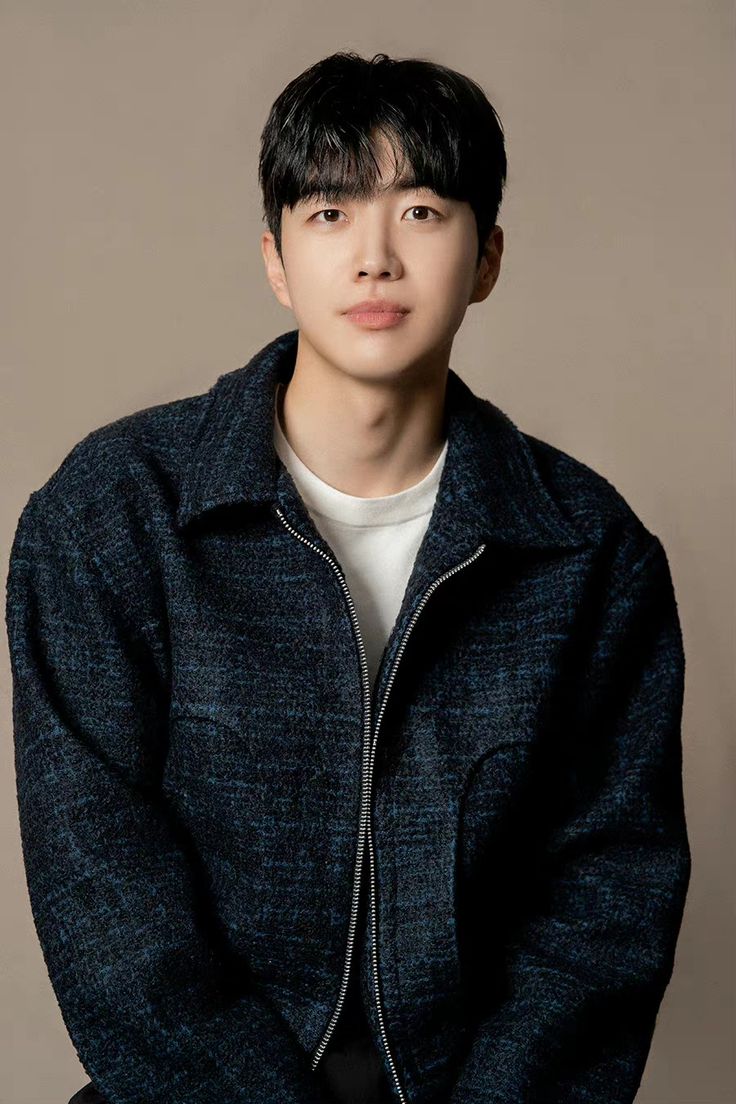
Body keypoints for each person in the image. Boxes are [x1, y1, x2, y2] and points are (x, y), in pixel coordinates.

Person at [6, 50, 690, 1104]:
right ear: (276, 261)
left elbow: (607, 903)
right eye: (330, 213)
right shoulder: (113, 515)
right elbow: (102, 892)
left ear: (487, 257)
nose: (375, 259)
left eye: (421, 212)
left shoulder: (590, 552)